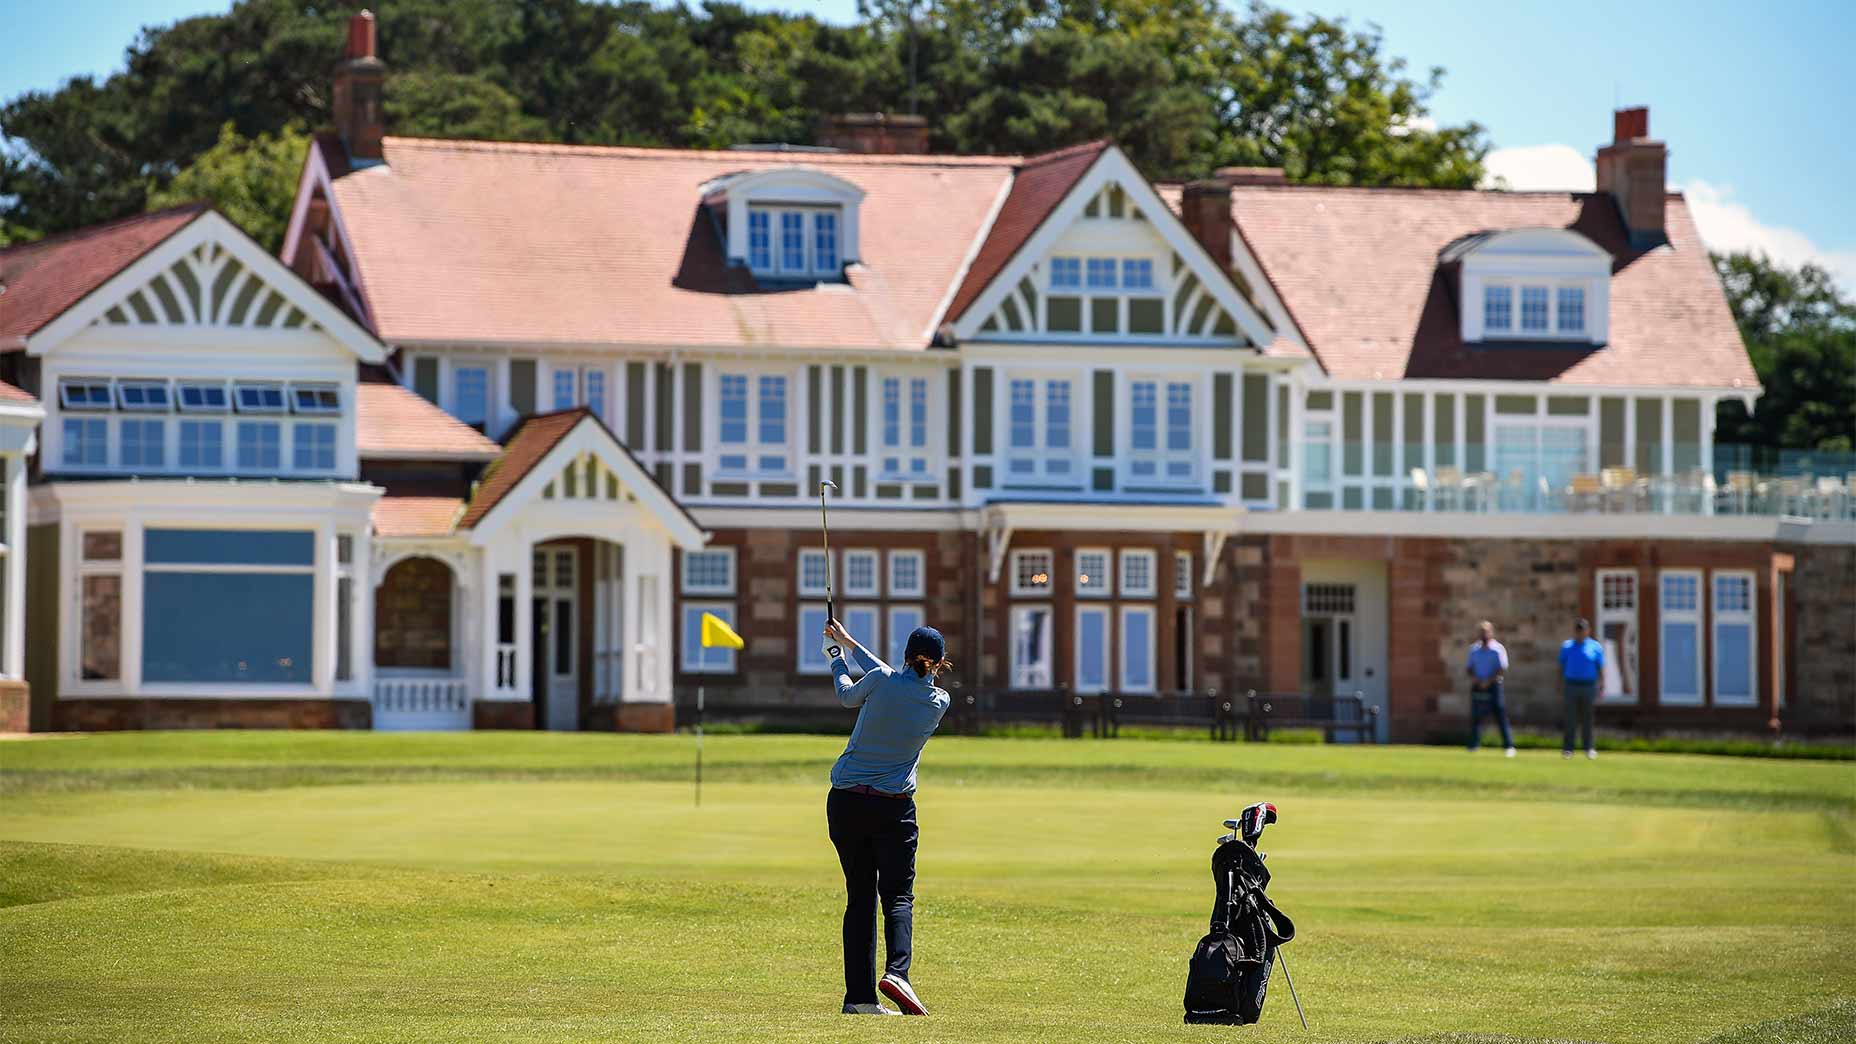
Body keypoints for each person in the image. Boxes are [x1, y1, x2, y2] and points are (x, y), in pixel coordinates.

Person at [821, 617, 952, 1016]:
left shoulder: (879, 680)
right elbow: (894, 677)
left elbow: (851, 693)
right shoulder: (938, 702)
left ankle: (858, 998)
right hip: (892, 808)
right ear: (940, 663)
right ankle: (898, 972)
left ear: (906, 655)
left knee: (859, 898)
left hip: (845, 802)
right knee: (896, 895)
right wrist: (850, 642)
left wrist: (837, 658)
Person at [1464, 621, 1515, 757]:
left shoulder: (1498, 649)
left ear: (1491, 632)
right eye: (1481, 631)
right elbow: (1469, 668)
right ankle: (1474, 744)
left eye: (1486, 631)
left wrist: (1488, 681)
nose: (1483, 634)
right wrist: (1477, 680)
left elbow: (1502, 668)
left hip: (1493, 686)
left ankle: (1508, 746)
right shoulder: (1474, 650)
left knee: (1500, 714)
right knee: (1476, 716)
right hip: (1478, 685)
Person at [1558, 618, 1605, 760]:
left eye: (1583, 630)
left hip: (1588, 685)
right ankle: (1568, 749)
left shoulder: (1595, 647)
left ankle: (1589, 747)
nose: (1580, 633)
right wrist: (1559, 684)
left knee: (1587, 718)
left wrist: (1602, 684)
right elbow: (1561, 667)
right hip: (1571, 684)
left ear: (1588, 631)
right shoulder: (1567, 646)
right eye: (1578, 630)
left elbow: (1600, 667)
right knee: (1570, 718)